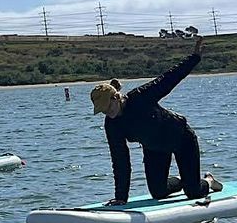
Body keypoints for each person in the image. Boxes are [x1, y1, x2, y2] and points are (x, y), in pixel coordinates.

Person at [90, 37, 222, 207]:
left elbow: (169, 78)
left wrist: (194, 58)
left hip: (181, 139)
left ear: (117, 98)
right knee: (158, 192)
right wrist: (121, 197)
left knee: (193, 192)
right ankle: (186, 178)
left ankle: (208, 181)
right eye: (103, 110)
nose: (108, 112)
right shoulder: (112, 124)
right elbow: (120, 160)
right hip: (155, 149)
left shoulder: (140, 97)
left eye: (108, 106)